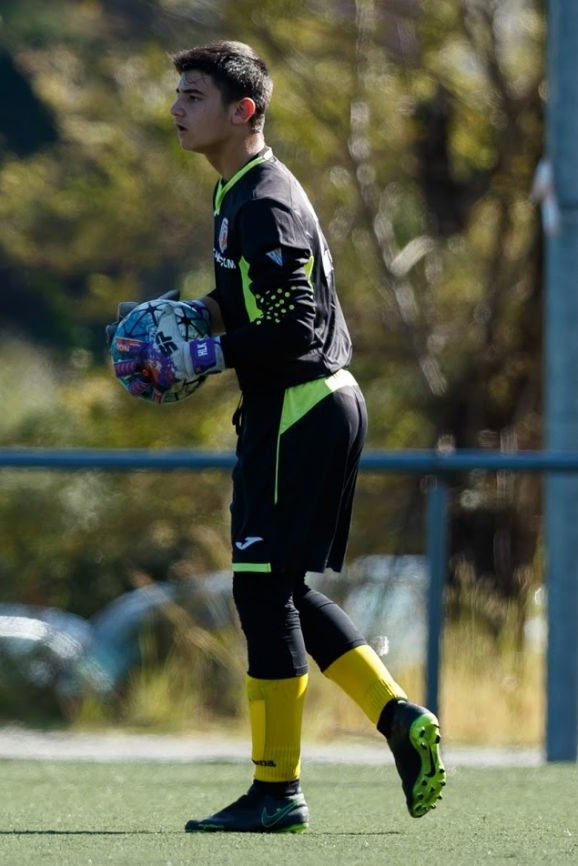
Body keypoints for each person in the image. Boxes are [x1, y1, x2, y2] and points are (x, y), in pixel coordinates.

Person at [111, 40, 445, 833]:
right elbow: (255, 298)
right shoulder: (240, 191)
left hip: (301, 405)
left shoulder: (261, 200)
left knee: (260, 590)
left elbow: (296, 324)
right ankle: (399, 722)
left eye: (193, 95)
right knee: (281, 590)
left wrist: (204, 351)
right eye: (179, 95)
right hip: (305, 405)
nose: (176, 109)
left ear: (243, 111)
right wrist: (200, 313)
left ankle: (277, 791)